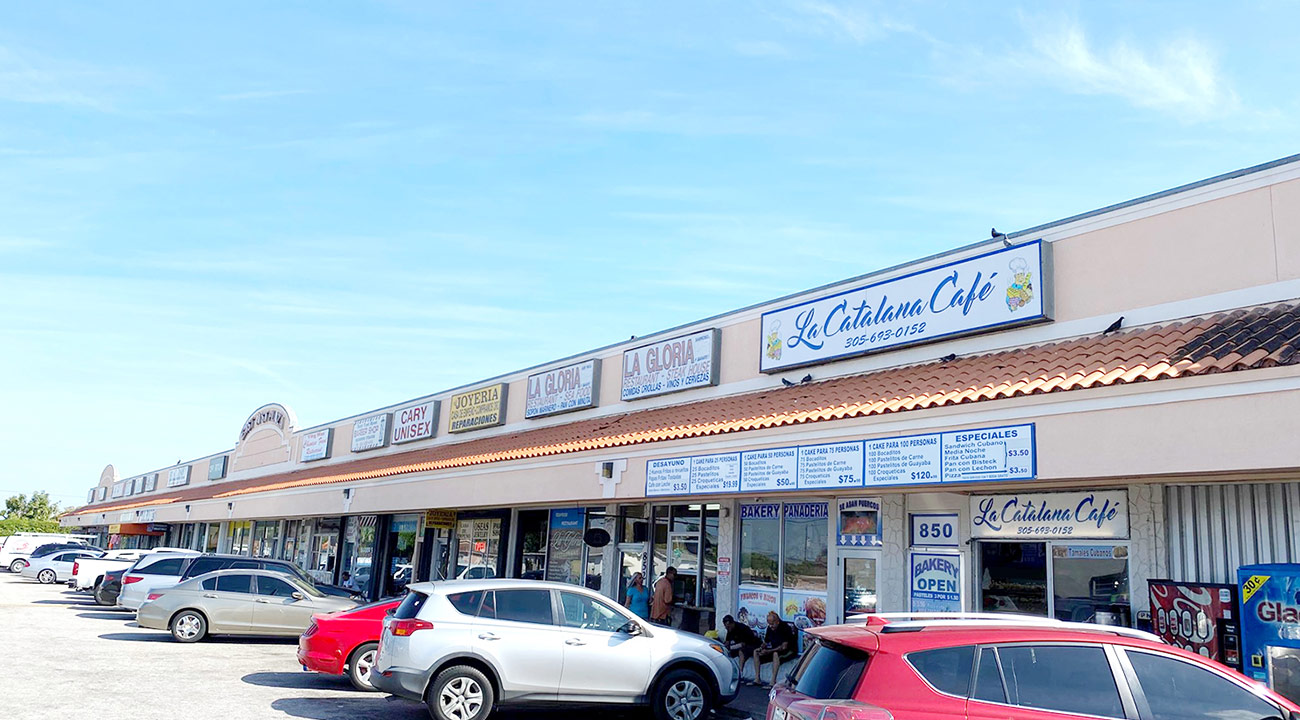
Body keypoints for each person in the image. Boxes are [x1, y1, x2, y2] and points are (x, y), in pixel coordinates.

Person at [753, 611, 799, 687]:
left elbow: (783, 647)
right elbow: (766, 642)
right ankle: (757, 679)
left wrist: (769, 651)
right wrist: (761, 648)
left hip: (788, 651)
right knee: (756, 652)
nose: (771, 626)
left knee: (775, 654)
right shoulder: (769, 628)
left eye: (772, 624)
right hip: (773, 649)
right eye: (769, 624)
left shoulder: (785, 628)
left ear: (777, 622)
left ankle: (773, 681)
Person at [722, 614, 761, 682]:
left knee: (741, 651)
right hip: (739, 646)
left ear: (732, 623)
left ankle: (740, 673)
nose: (727, 628)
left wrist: (731, 647)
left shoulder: (742, 628)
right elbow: (727, 641)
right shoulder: (730, 630)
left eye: (728, 626)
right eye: (726, 627)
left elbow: (742, 644)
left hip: (752, 645)